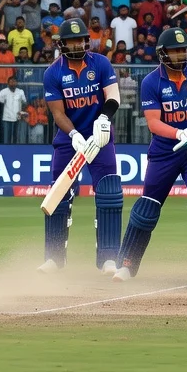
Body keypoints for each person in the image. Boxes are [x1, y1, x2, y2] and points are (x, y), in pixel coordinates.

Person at [112, 28, 187, 284]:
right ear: (163, 54)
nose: (182, 54)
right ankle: (126, 265)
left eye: (184, 49)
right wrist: (179, 134)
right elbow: (153, 123)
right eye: (176, 50)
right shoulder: (151, 82)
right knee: (147, 208)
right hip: (165, 152)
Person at [39, 18, 122, 274]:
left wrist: (104, 120)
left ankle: (108, 257)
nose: (79, 44)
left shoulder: (100, 63)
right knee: (59, 194)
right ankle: (54, 257)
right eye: (73, 40)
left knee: (108, 192)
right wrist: (74, 134)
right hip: (69, 139)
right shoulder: (53, 72)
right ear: (62, 44)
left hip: (100, 135)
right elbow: (58, 113)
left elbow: (113, 96)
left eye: (82, 39)